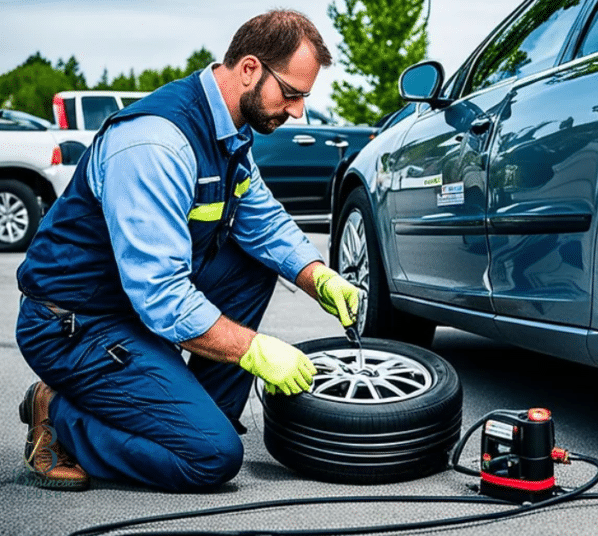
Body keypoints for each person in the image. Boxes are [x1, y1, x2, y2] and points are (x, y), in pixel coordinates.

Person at [15, 10, 360, 492]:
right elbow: (159, 293)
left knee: (253, 264)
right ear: (249, 68)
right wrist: (252, 349)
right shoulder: (156, 142)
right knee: (210, 457)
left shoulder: (230, 131)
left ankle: (189, 413)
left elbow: (262, 221)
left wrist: (318, 275)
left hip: (128, 307)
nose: (299, 110)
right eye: (291, 93)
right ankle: (60, 413)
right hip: (76, 322)